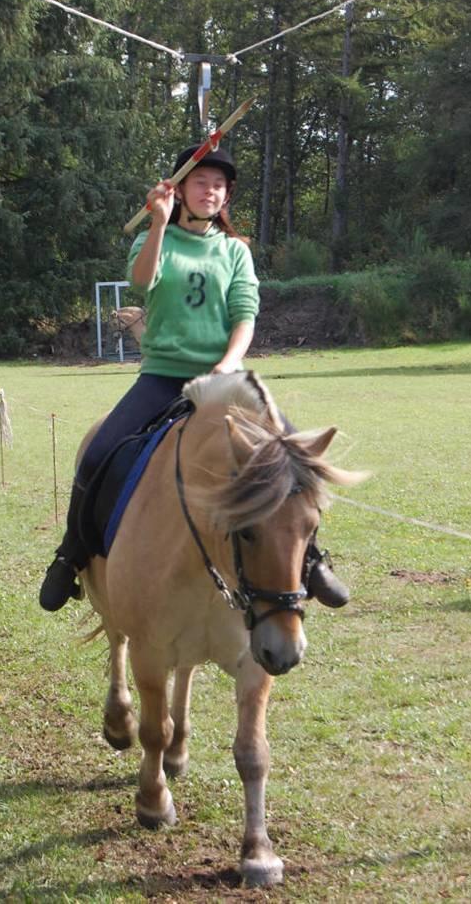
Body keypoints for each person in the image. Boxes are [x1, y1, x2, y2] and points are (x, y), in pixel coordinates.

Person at [39, 144, 348, 612]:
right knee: (99, 453)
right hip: (164, 376)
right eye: (201, 181)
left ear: (227, 196)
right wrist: (158, 222)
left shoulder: (234, 251)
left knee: (293, 461)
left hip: (226, 377)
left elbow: (246, 314)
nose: (211, 190)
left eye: (220, 185)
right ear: (180, 189)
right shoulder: (151, 238)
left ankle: (313, 561)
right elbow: (142, 283)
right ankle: (70, 555)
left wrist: (229, 362)